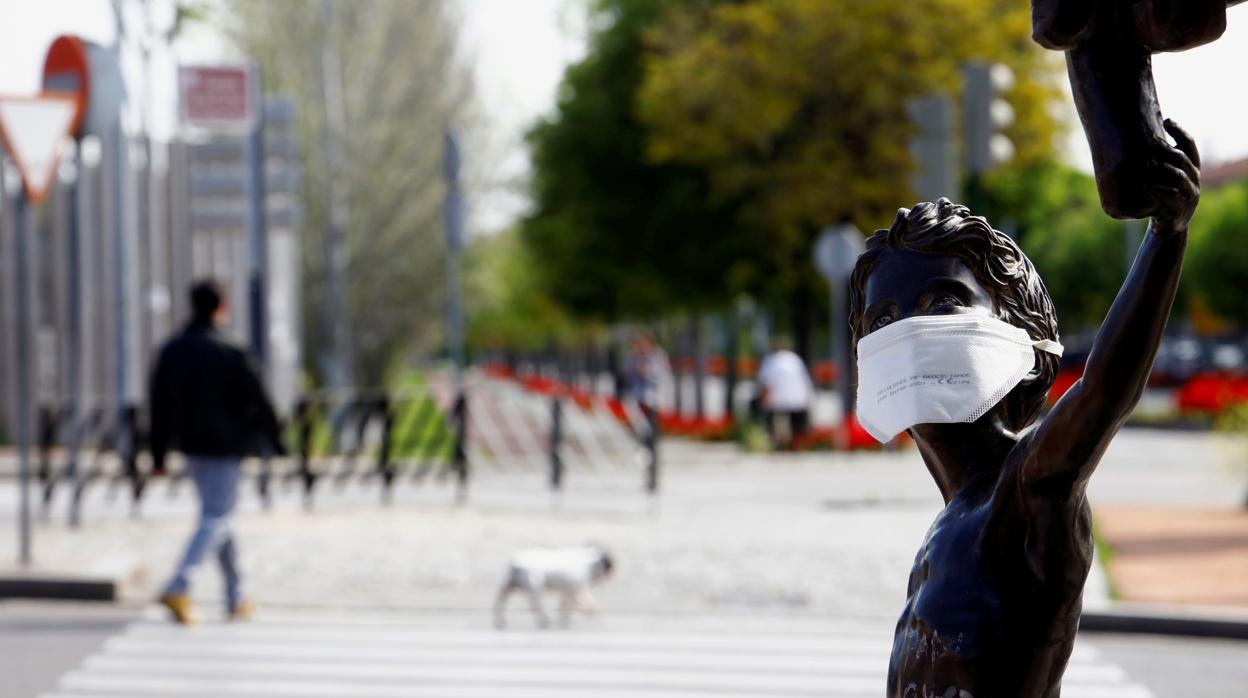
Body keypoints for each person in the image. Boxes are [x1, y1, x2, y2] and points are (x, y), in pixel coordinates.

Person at [850, 117, 1197, 698]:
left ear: (1024, 341)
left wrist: (1167, 237)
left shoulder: (1031, 491)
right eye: (883, 319)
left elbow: (1103, 393)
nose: (909, 331)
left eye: (943, 302)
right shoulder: (948, 521)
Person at [149, 280, 285, 625]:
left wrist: (158, 453)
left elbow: (159, 405)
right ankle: (179, 584)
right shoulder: (230, 348)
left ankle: (235, 595)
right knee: (217, 518)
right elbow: (259, 396)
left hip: (191, 445)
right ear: (221, 306)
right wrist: (277, 440)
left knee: (218, 516)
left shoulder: (173, 349)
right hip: (225, 446)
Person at [755, 337, 813, 448]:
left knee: (775, 422)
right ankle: (795, 444)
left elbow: (766, 381)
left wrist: (764, 398)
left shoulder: (771, 360)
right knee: (795, 424)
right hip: (797, 398)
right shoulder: (795, 359)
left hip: (778, 398)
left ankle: (777, 442)